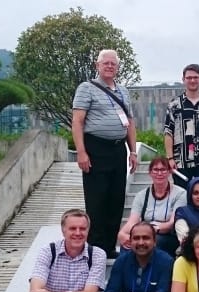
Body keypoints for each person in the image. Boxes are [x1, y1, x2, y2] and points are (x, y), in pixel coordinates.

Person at [72, 49, 137, 259]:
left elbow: (130, 123)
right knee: (97, 200)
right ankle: (95, 247)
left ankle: (109, 246)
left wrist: (133, 151)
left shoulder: (123, 91)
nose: (109, 66)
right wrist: (81, 152)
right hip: (96, 148)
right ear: (97, 65)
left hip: (118, 149)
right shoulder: (86, 88)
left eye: (113, 64)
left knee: (116, 199)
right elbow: (78, 121)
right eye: (106, 63)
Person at [164, 63, 199, 189]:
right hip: (181, 162)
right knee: (182, 198)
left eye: (195, 77)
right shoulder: (174, 105)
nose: (192, 80)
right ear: (183, 80)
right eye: (189, 78)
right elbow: (168, 133)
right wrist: (170, 158)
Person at [118, 157, 186, 257]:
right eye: (156, 170)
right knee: (127, 244)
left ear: (169, 172)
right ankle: (127, 272)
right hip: (146, 234)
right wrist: (122, 233)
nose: (159, 173)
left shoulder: (180, 194)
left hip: (168, 236)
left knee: (151, 243)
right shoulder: (141, 195)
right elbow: (132, 221)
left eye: (163, 169)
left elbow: (172, 223)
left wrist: (152, 229)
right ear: (150, 173)